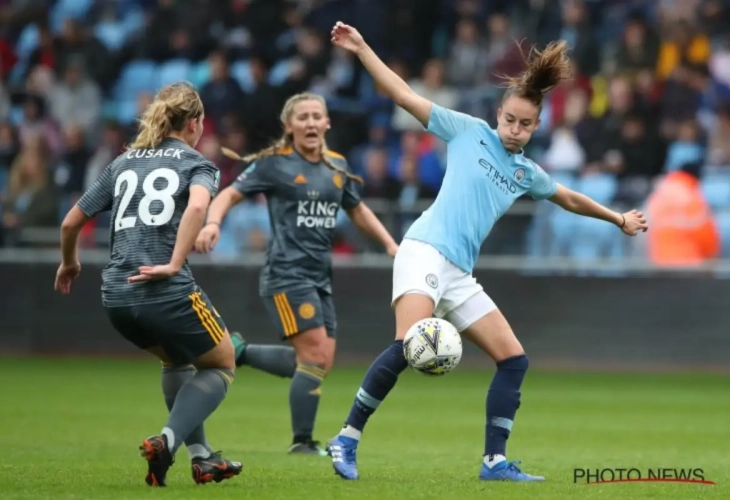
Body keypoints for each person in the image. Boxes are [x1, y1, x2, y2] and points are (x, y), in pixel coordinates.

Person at [327, 22, 648, 482]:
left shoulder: (527, 172)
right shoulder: (467, 131)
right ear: (498, 114)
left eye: (525, 124)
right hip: (424, 250)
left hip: (458, 270)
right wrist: (361, 47)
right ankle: (347, 438)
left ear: (538, 125)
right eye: (510, 120)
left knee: (514, 359)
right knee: (408, 344)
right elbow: (401, 94)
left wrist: (618, 219)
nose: (515, 130)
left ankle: (494, 462)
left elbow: (569, 197)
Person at [54, 82, 243, 487]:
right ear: (194, 123)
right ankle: (168, 441)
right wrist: (175, 262)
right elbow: (197, 205)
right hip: (165, 292)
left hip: (117, 296)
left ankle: (203, 458)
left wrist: (70, 262)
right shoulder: (197, 163)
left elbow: (71, 221)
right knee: (223, 363)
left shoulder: (123, 163)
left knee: (177, 361)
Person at [195, 91, 399, 455]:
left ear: (326, 122)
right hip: (286, 274)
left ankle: (238, 350)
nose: (309, 122)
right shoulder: (275, 164)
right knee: (315, 356)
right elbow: (228, 195)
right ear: (289, 126)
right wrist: (212, 224)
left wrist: (389, 244)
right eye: (302, 117)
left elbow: (357, 209)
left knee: (318, 360)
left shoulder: (336, 165)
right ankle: (301, 442)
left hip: (320, 276)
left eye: (315, 116)